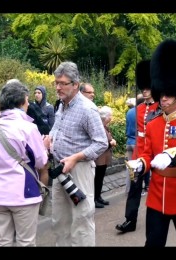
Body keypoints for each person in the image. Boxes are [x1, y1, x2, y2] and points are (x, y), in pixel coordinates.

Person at [126, 39, 176, 247]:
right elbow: (146, 153)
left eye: (168, 95)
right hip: (157, 195)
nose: (163, 99)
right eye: (162, 95)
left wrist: (172, 155)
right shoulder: (152, 125)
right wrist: (141, 164)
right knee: (153, 242)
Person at [43, 61, 108, 247]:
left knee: (81, 220)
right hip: (60, 170)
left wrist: (76, 157)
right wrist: (49, 140)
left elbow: (101, 143)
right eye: (56, 82)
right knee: (59, 220)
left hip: (79, 170)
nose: (58, 87)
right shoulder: (62, 105)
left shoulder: (87, 109)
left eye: (63, 83)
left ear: (75, 85)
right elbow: (57, 130)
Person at [0, 80, 48, 247]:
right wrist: (44, 146)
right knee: (25, 242)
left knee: (1, 242)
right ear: (23, 101)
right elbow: (41, 161)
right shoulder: (28, 128)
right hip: (23, 193)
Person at [115, 59, 159, 233]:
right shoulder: (139, 109)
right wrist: (136, 158)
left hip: (155, 154)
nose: (145, 91)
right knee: (134, 189)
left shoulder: (160, 108)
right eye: (143, 88)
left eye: (148, 88)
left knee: (156, 188)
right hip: (139, 154)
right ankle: (130, 220)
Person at [94, 105, 117, 208]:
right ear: (106, 117)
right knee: (97, 179)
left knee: (100, 178)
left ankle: (98, 197)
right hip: (99, 158)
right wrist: (111, 143)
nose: (111, 117)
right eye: (110, 115)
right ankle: (95, 198)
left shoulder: (105, 126)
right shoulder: (99, 127)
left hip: (103, 158)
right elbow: (99, 143)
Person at [33, 85, 55, 186]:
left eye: (39, 93)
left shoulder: (49, 107)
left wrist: (49, 139)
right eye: (35, 93)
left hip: (45, 139)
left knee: (44, 166)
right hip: (33, 138)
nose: (37, 95)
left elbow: (52, 125)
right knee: (35, 165)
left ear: (43, 94)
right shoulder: (31, 107)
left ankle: (43, 190)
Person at [124, 97, 137, 194]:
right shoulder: (140, 112)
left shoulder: (129, 112)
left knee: (129, 167)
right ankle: (135, 189)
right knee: (138, 167)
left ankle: (128, 189)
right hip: (137, 142)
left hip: (129, 141)